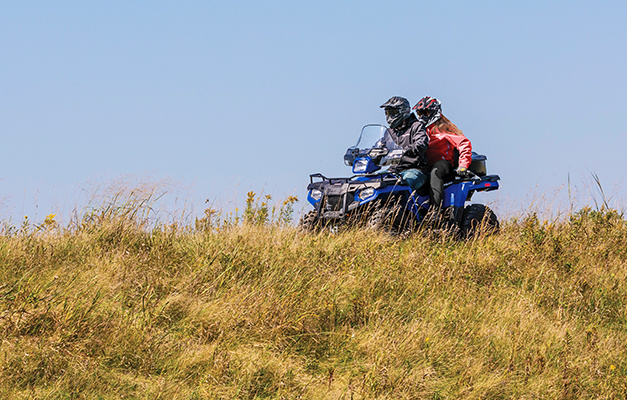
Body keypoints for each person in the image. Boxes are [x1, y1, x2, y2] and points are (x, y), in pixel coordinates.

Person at [413, 96, 473, 219]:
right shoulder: (420, 130)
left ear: (435, 111)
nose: (422, 116)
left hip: (444, 163)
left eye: (425, 112)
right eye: (420, 113)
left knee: (436, 170)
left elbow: (464, 144)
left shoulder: (445, 128)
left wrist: (463, 165)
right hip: (424, 164)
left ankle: (435, 211)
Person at [380, 96, 429, 194]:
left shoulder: (416, 126)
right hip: (393, 170)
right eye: (387, 113)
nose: (389, 117)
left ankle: (404, 209)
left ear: (403, 112)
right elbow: (380, 146)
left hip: (414, 169)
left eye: (392, 113)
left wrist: (404, 151)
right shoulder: (389, 132)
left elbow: (421, 144)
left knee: (401, 186)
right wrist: (364, 153)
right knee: (371, 183)